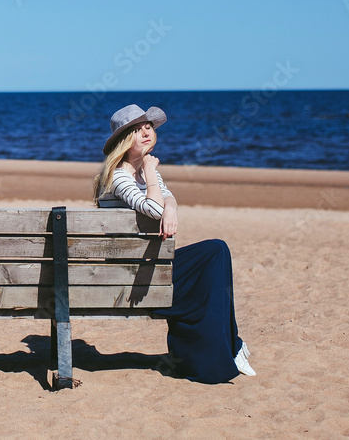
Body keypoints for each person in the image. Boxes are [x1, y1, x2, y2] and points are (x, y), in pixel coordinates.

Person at [93, 104, 255, 383]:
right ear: (123, 139)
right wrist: (152, 175)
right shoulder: (119, 175)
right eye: (136, 129)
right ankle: (231, 348)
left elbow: (167, 199)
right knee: (213, 256)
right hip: (129, 278)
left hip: (144, 267)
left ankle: (229, 346)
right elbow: (154, 209)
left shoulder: (142, 173)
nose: (146, 132)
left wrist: (171, 207)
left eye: (148, 127)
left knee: (215, 254)